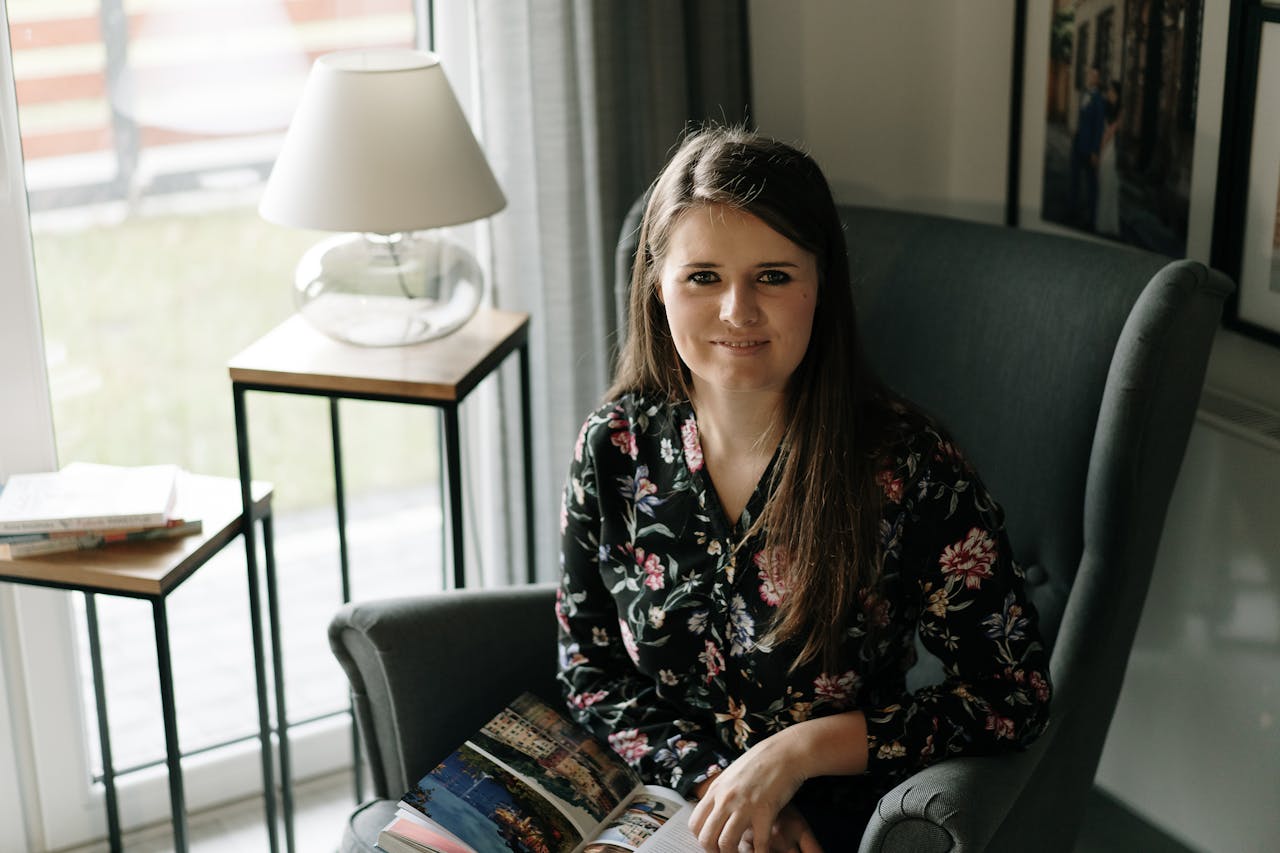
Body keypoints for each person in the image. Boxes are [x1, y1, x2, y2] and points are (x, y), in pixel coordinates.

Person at [556, 126, 1052, 852]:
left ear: (821, 284)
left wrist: (796, 754)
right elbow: (589, 669)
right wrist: (727, 788)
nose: (737, 311)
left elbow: (1013, 696)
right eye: (703, 277)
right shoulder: (615, 445)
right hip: (657, 797)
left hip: (832, 822)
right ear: (657, 286)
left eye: (773, 275)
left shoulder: (909, 467)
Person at [1069, 66, 1107, 230]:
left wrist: (1095, 152)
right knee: (1074, 179)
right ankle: (1072, 212)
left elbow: (1099, 127)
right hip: (1078, 144)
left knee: (1091, 184)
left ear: (1097, 79)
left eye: (1093, 75)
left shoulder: (1099, 100)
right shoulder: (1085, 94)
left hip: (1089, 148)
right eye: (1089, 74)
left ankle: (1091, 218)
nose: (1089, 76)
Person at [1095, 81, 1123, 238]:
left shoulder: (1119, 111)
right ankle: (1102, 222)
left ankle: (1107, 225)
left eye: (1112, 92)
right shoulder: (1106, 107)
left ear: (1117, 94)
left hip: (1110, 149)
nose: (1110, 94)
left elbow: (1110, 132)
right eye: (1109, 91)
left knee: (1109, 184)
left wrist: (1099, 149)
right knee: (1103, 183)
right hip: (1105, 145)